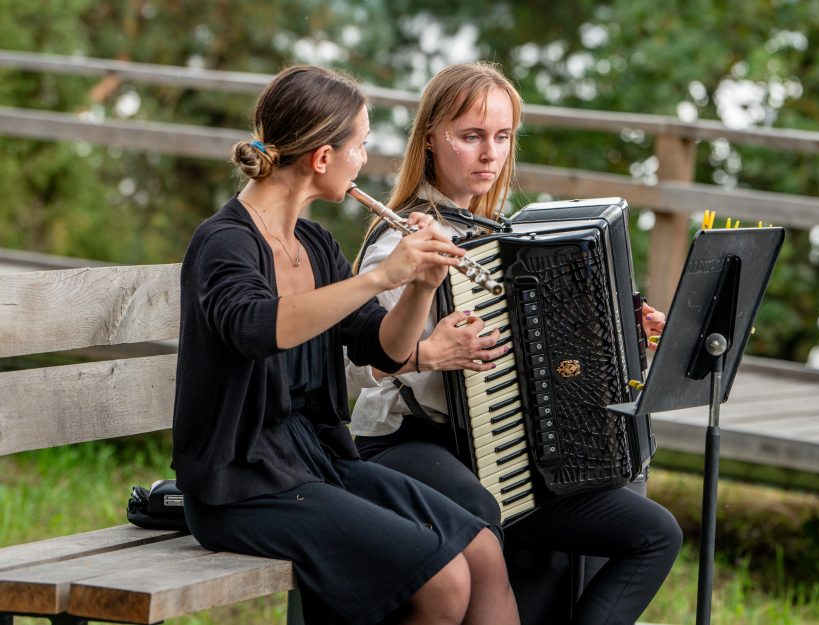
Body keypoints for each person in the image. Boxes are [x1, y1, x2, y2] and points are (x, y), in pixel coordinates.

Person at [171, 64, 520, 625]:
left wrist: (420, 286)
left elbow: (382, 349)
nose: (365, 160)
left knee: (480, 548)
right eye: (359, 145)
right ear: (322, 158)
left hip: (316, 461)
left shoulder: (313, 240)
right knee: (444, 580)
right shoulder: (224, 242)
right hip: (241, 485)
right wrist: (381, 277)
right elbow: (257, 328)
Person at [346, 62, 682, 625]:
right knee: (486, 512)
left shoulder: (500, 234)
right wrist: (430, 353)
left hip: (502, 449)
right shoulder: (403, 238)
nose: (490, 154)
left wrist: (622, 345)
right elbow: (357, 368)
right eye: (471, 136)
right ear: (430, 137)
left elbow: (545, 361)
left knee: (654, 531)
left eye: (502, 137)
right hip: (412, 440)